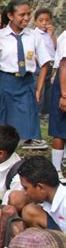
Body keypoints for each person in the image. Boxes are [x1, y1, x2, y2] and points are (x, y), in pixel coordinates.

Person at [0, 0, 51, 151]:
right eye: (22, 15)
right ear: (11, 16)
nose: (26, 18)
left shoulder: (34, 36)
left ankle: (15, 155)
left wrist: (38, 90)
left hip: (26, 83)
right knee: (2, 126)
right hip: (5, 82)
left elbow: (45, 63)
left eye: (28, 14)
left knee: (25, 126)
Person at [18, 156, 65, 232]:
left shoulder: (64, 205)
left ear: (40, 187)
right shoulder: (47, 199)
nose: (25, 193)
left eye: (26, 188)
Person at [50, 29, 66, 181]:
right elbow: (64, 66)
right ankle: (56, 168)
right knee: (60, 129)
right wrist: (64, 94)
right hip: (64, 86)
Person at [34, 8, 56, 117]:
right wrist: (39, 60)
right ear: (35, 22)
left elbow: (55, 48)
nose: (44, 23)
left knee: (49, 88)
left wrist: (52, 35)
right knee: (40, 88)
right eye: (41, 20)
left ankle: (46, 112)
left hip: (51, 64)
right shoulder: (35, 34)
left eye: (47, 20)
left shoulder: (49, 33)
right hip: (40, 64)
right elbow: (32, 51)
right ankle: (38, 111)